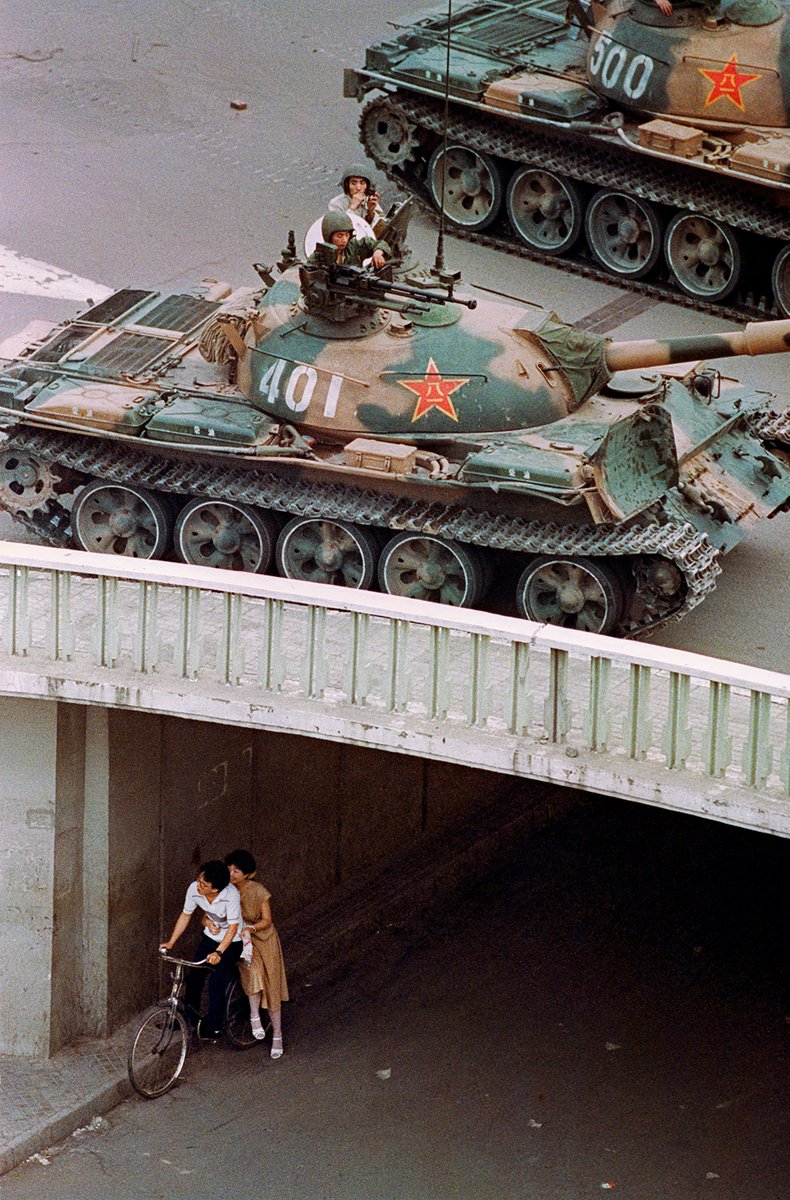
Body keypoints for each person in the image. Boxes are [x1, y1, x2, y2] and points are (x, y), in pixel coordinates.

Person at [159, 859, 243, 1039]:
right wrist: (171, 942)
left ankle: (214, 1027)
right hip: (210, 938)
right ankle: (187, 1019)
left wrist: (219, 952)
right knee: (194, 977)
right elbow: (185, 915)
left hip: (231, 942)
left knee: (216, 982)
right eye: (199, 880)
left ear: (215, 889)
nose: (199, 885)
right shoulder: (194, 889)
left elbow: (234, 928)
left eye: (203, 884)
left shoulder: (231, 894)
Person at [224, 849, 289, 1060]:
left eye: (236, 870)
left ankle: (277, 1034)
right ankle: (254, 1017)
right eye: (229, 869)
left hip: (264, 940)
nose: (232, 874)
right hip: (243, 942)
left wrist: (250, 929)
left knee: (271, 986)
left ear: (247, 873)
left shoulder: (259, 891)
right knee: (252, 973)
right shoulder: (226, 891)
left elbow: (267, 920)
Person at [309, 210, 390, 271]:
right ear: (329, 236)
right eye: (339, 236)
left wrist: (378, 252)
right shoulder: (318, 257)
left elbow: (379, 243)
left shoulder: (354, 246)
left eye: (347, 235)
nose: (344, 240)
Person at [329, 162, 385, 231]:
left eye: (362, 183)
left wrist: (371, 211)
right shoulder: (335, 204)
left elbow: (380, 226)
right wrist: (352, 207)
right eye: (354, 183)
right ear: (347, 185)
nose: (358, 188)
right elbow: (338, 229)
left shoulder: (370, 200)